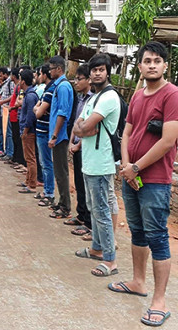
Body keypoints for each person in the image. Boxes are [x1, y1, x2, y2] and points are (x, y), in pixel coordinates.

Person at [110, 41, 178, 327]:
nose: (152, 65)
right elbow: (126, 133)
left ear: (165, 65)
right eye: (147, 60)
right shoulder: (138, 96)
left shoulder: (172, 95)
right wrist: (127, 167)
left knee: (157, 236)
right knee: (137, 231)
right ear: (139, 66)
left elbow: (167, 141)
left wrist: (136, 167)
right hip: (132, 175)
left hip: (155, 180)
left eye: (157, 60)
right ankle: (139, 281)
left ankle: (160, 301)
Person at [73, 53, 121, 277]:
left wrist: (85, 127)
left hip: (102, 164)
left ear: (107, 72)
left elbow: (87, 125)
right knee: (94, 208)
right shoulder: (92, 98)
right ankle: (96, 248)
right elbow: (78, 126)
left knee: (101, 212)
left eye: (101, 69)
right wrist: (84, 128)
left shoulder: (109, 97)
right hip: (89, 163)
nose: (97, 73)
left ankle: (110, 261)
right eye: (94, 70)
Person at [66, 64, 94, 238]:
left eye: (79, 78)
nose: (76, 82)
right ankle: (81, 215)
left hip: (85, 148)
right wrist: (71, 142)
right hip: (75, 145)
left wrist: (78, 144)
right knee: (78, 183)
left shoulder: (94, 99)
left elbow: (90, 127)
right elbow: (76, 122)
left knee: (86, 185)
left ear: (88, 80)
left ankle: (88, 222)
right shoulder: (80, 99)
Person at [47, 55, 74, 219]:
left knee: (61, 171)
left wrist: (55, 135)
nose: (49, 72)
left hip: (60, 136)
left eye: (51, 68)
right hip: (57, 135)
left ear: (58, 69)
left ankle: (65, 206)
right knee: (58, 171)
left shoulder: (63, 87)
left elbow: (62, 113)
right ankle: (62, 201)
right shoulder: (59, 86)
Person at [34, 64, 55, 206]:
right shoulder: (46, 90)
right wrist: (38, 107)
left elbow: (38, 112)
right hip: (40, 130)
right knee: (43, 162)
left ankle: (49, 193)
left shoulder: (49, 92)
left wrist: (39, 108)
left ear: (45, 75)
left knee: (47, 163)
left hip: (45, 131)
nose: (39, 76)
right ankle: (47, 191)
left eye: (40, 73)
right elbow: (36, 107)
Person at [17, 69, 39, 194]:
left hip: (29, 131)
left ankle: (32, 184)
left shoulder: (30, 96)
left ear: (23, 81)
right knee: (28, 157)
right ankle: (28, 180)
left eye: (20, 79)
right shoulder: (29, 94)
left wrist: (25, 131)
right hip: (26, 130)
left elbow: (30, 116)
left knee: (30, 158)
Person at [0, 67, 14, 162]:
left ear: (4, 74)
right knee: (2, 131)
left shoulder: (10, 83)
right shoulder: (4, 83)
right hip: (2, 111)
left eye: (0, 75)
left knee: (8, 133)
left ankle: (9, 152)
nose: (0, 77)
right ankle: (4, 150)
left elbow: (12, 96)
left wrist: (3, 101)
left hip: (7, 111)